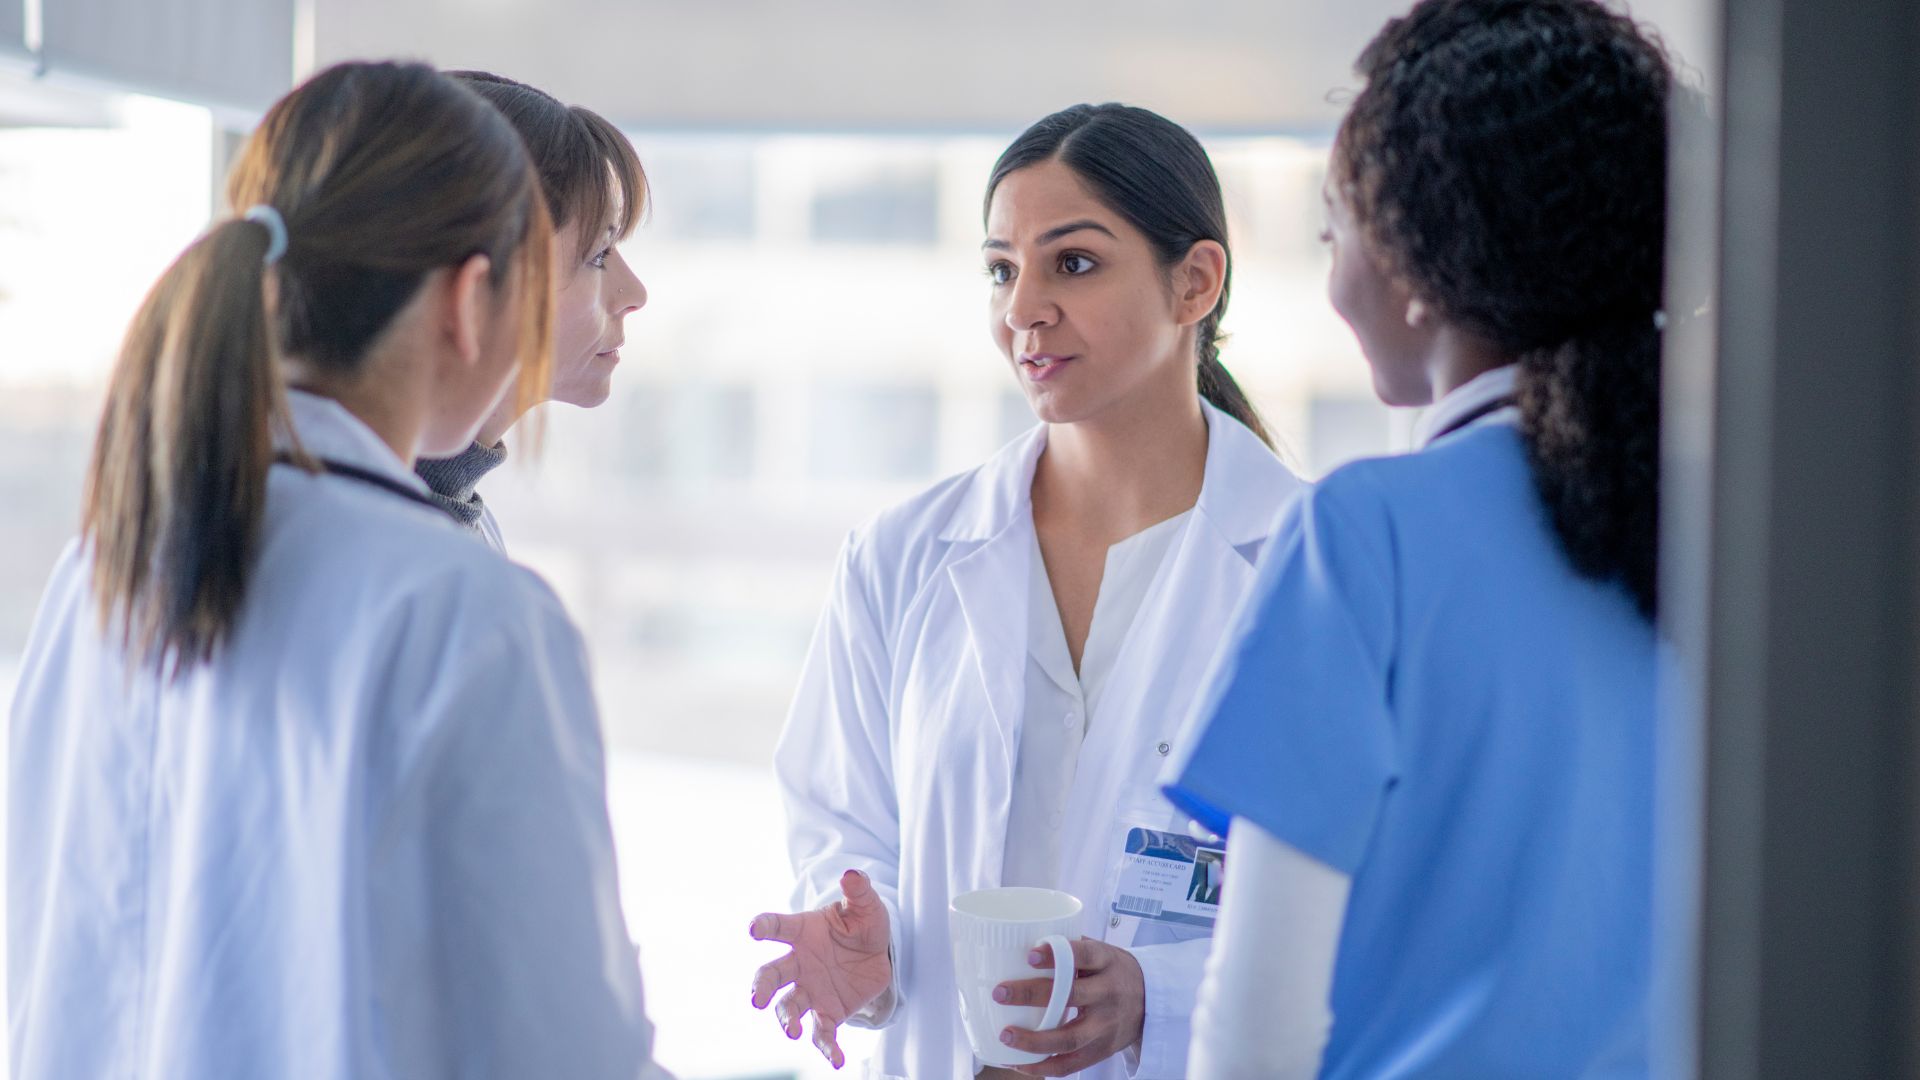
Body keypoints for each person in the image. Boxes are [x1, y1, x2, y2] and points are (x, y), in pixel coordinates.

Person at [8, 61, 667, 1080]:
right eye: (574, 268)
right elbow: (562, 1053)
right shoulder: (464, 615)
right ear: (469, 300)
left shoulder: (103, 564)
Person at [1161, 1, 1672, 1075]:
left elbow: (1254, 1033)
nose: (1332, 266)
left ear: (1411, 261)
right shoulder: (1742, 534)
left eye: (1332, 230)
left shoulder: (1365, 536)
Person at [750, 104, 1305, 1079]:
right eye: (1002, 269)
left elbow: (1379, 907)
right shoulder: (903, 559)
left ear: (1196, 282)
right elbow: (842, 824)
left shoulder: (1313, 568)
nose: (1024, 309)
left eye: (1073, 264)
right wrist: (862, 938)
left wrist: (1159, 996)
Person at [413, 71, 649, 551]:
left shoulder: (462, 518)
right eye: (598, 254)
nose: (635, 293)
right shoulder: (388, 543)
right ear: (477, 282)